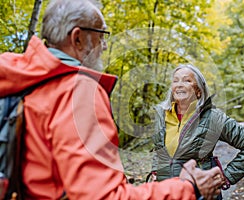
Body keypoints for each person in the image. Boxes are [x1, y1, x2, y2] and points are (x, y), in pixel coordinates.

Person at [0, 0, 225, 199]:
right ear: (77, 38)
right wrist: (188, 188)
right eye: (101, 35)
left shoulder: (16, 78)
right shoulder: (78, 91)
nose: (105, 45)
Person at [151, 63, 244, 198]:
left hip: (200, 193)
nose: (179, 84)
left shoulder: (213, 117)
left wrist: (226, 177)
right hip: (166, 191)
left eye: (187, 80)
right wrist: (154, 172)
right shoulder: (162, 114)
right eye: (176, 81)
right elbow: (158, 149)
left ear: (199, 90)